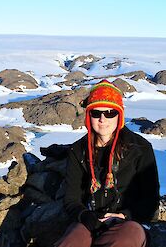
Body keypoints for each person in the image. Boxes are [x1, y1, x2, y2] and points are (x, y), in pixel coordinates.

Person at [55, 80, 160, 247]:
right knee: (71, 242)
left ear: (119, 115)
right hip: (91, 219)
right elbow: (71, 198)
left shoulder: (140, 148)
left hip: (128, 222)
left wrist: (124, 215)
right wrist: (85, 216)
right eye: (96, 113)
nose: (102, 119)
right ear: (89, 116)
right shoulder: (78, 150)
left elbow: (150, 198)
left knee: (124, 240)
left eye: (110, 113)